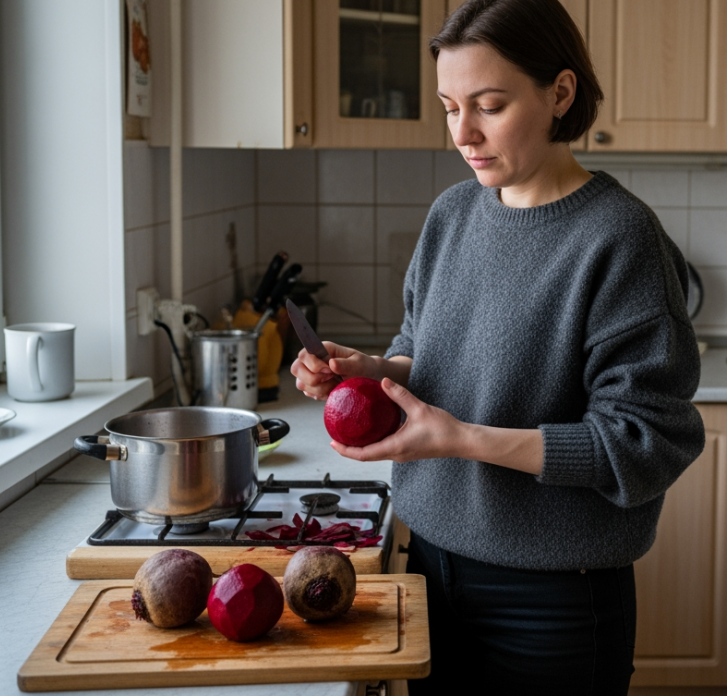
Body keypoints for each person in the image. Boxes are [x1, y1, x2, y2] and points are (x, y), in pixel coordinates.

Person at [291, 0, 704, 692]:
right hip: (427, 566)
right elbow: (425, 348)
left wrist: (463, 440)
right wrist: (376, 371)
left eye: (488, 105)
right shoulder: (452, 215)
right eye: (450, 107)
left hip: (553, 603)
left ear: (559, 94)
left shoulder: (618, 237)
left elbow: (645, 442)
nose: (464, 133)